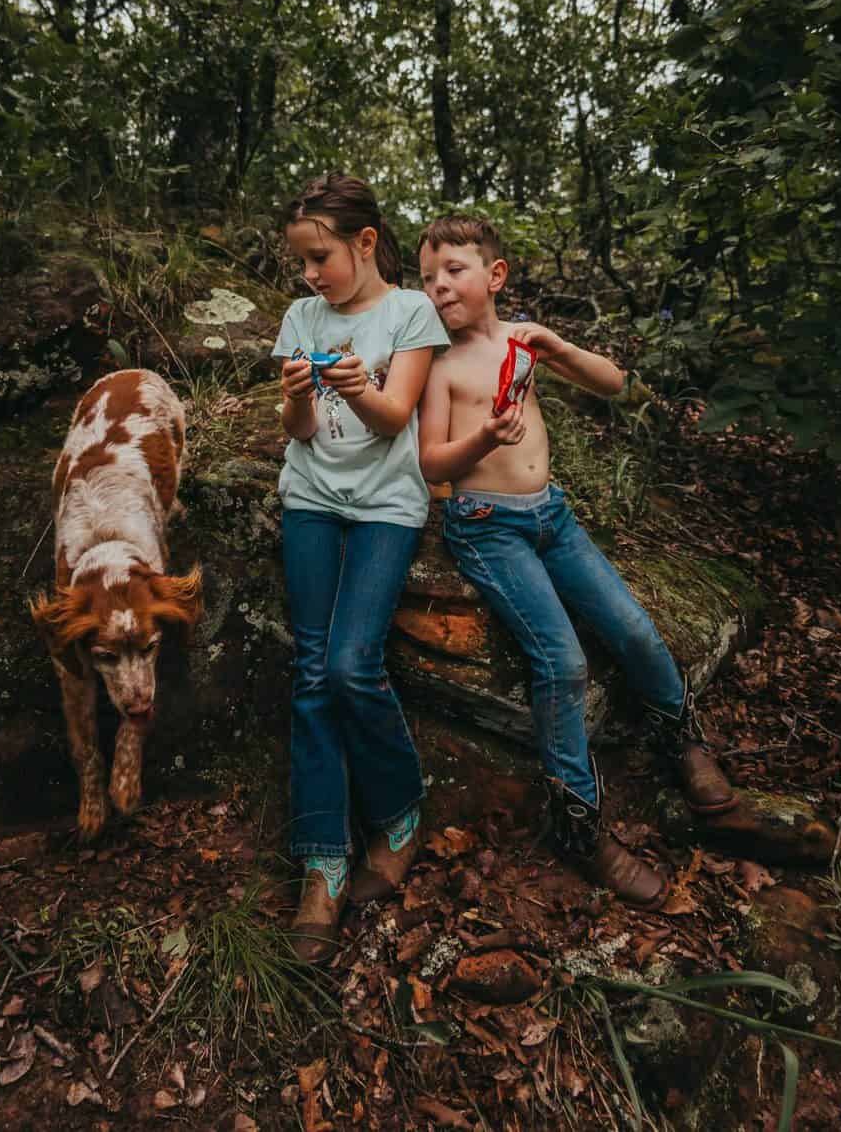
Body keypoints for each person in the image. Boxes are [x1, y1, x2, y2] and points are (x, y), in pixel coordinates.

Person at [416, 214, 740, 907]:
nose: (439, 286)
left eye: (453, 270)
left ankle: (682, 742)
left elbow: (613, 382)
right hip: (486, 528)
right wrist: (481, 441)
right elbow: (432, 463)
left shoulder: (523, 342)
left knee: (633, 629)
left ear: (495, 276)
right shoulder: (439, 366)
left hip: (553, 519)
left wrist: (560, 346)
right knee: (561, 663)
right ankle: (580, 826)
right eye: (427, 278)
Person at [271, 173, 451, 963]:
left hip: (385, 506)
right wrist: (299, 396)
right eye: (302, 262)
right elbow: (301, 431)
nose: (311, 275)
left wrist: (364, 385)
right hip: (310, 496)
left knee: (351, 665)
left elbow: (394, 420)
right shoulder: (301, 317)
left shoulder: (410, 312)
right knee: (313, 671)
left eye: (322, 257)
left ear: (366, 242)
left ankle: (400, 809)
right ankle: (323, 861)